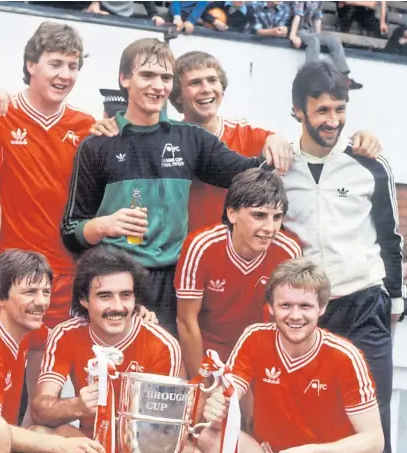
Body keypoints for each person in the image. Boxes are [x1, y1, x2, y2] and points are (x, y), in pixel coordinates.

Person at [61, 38, 290, 337]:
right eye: (147, 75)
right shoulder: (97, 144)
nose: (158, 86)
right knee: (109, 375)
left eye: (166, 78)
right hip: (115, 279)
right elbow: (70, 231)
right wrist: (104, 225)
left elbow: (249, 172)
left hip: (172, 282)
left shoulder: (191, 139)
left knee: (165, 378)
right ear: (124, 79)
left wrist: (276, 141)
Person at [91, 50, 382, 234]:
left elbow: (305, 148)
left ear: (222, 89)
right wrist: (109, 124)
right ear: (177, 96)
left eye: (212, 81)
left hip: (237, 265)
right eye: (195, 83)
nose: (206, 89)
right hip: (179, 261)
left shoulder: (253, 137)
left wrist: (358, 138)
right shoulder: (163, 138)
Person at [281, 60, 404, 453]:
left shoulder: (370, 162)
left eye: (340, 109)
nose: (332, 120)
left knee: (374, 422)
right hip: (308, 311)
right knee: (305, 417)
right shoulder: (279, 167)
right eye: (322, 110)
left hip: (365, 305)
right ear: (299, 110)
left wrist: (397, 301)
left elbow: (390, 235)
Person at [198, 258, 384, 453]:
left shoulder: (345, 356)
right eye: (285, 305)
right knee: (210, 438)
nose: (295, 316)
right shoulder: (255, 337)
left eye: (305, 306)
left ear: (322, 308)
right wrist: (219, 405)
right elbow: (231, 389)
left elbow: (374, 441)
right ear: (270, 307)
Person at [31, 245, 204, 453]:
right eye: (105, 296)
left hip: (140, 447)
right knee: (37, 439)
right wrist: (77, 406)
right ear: (84, 299)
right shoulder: (65, 334)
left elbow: (163, 433)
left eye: (126, 295)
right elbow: (40, 410)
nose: (117, 307)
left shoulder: (162, 343)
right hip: (87, 443)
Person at [0, 21, 95, 328]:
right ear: (31, 64)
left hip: (62, 275)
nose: (65, 74)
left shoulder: (88, 127)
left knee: (46, 369)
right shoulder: (0, 113)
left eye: (73, 66)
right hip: (8, 272)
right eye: (55, 64)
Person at [175, 168, 301, 376]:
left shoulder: (289, 250)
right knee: (201, 404)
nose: (270, 228)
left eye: (277, 217)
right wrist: (201, 380)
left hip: (254, 352)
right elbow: (186, 321)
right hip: (206, 350)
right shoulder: (201, 246)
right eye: (259, 215)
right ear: (231, 213)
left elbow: (285, 321)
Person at [0, 249, 105, 453]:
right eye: (30, 292)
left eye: (46, 291)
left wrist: (134, 313)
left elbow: (54, 340)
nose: (42, 301)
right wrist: (61, 445)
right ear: (0, 298)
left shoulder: (31, 332)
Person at [289, 2, 363, 90]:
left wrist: (318, 35)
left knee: (333, 40)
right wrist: (293, 35)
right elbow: (297, 15)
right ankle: (311, 77)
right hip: (298, 30)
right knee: (314, 41)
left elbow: (317, 18)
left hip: (309, 31)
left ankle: (344, 77)